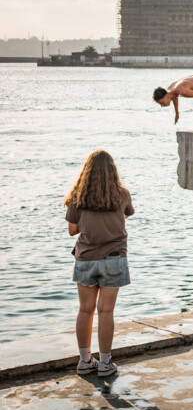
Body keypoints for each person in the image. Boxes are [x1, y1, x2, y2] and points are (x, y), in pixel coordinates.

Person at [65, 150, 135, 377]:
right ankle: (105, 363)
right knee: (106, 311)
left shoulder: (78, 196)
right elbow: (125, 215)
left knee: (85, 310)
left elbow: (72, 230)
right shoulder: (122, 194)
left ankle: (85, 361)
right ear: (112, 170)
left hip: (86, 259)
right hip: (114, 259)